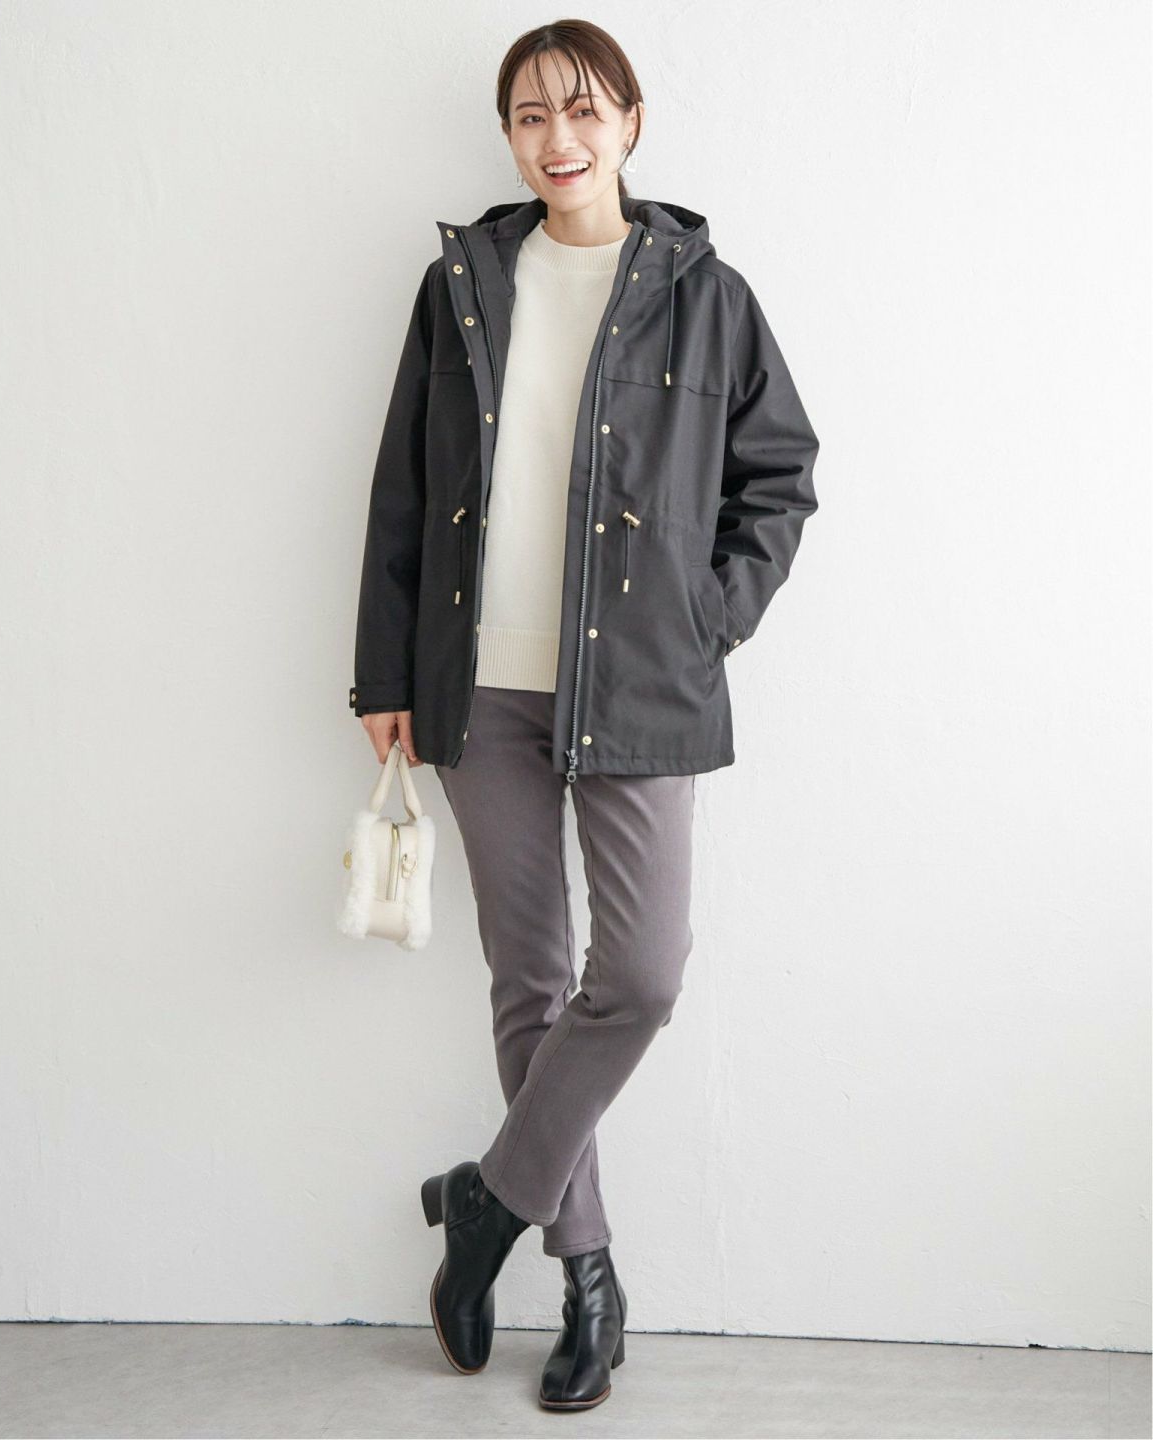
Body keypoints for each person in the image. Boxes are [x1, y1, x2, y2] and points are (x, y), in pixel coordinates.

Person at [351, 19, 820, 1412]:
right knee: (531, 983)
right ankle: (589, 1283)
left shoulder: (705, 294)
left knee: (644, 976)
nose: (559, 139)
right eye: (530, 117)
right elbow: (399, 483)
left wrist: (704, 618)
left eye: (583, 110)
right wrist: (383, 675)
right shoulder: (462, 284)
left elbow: (779, 478)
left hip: (640, 682)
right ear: (510, 139)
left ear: (630, 123)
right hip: (477, 684)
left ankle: (485, 1201)